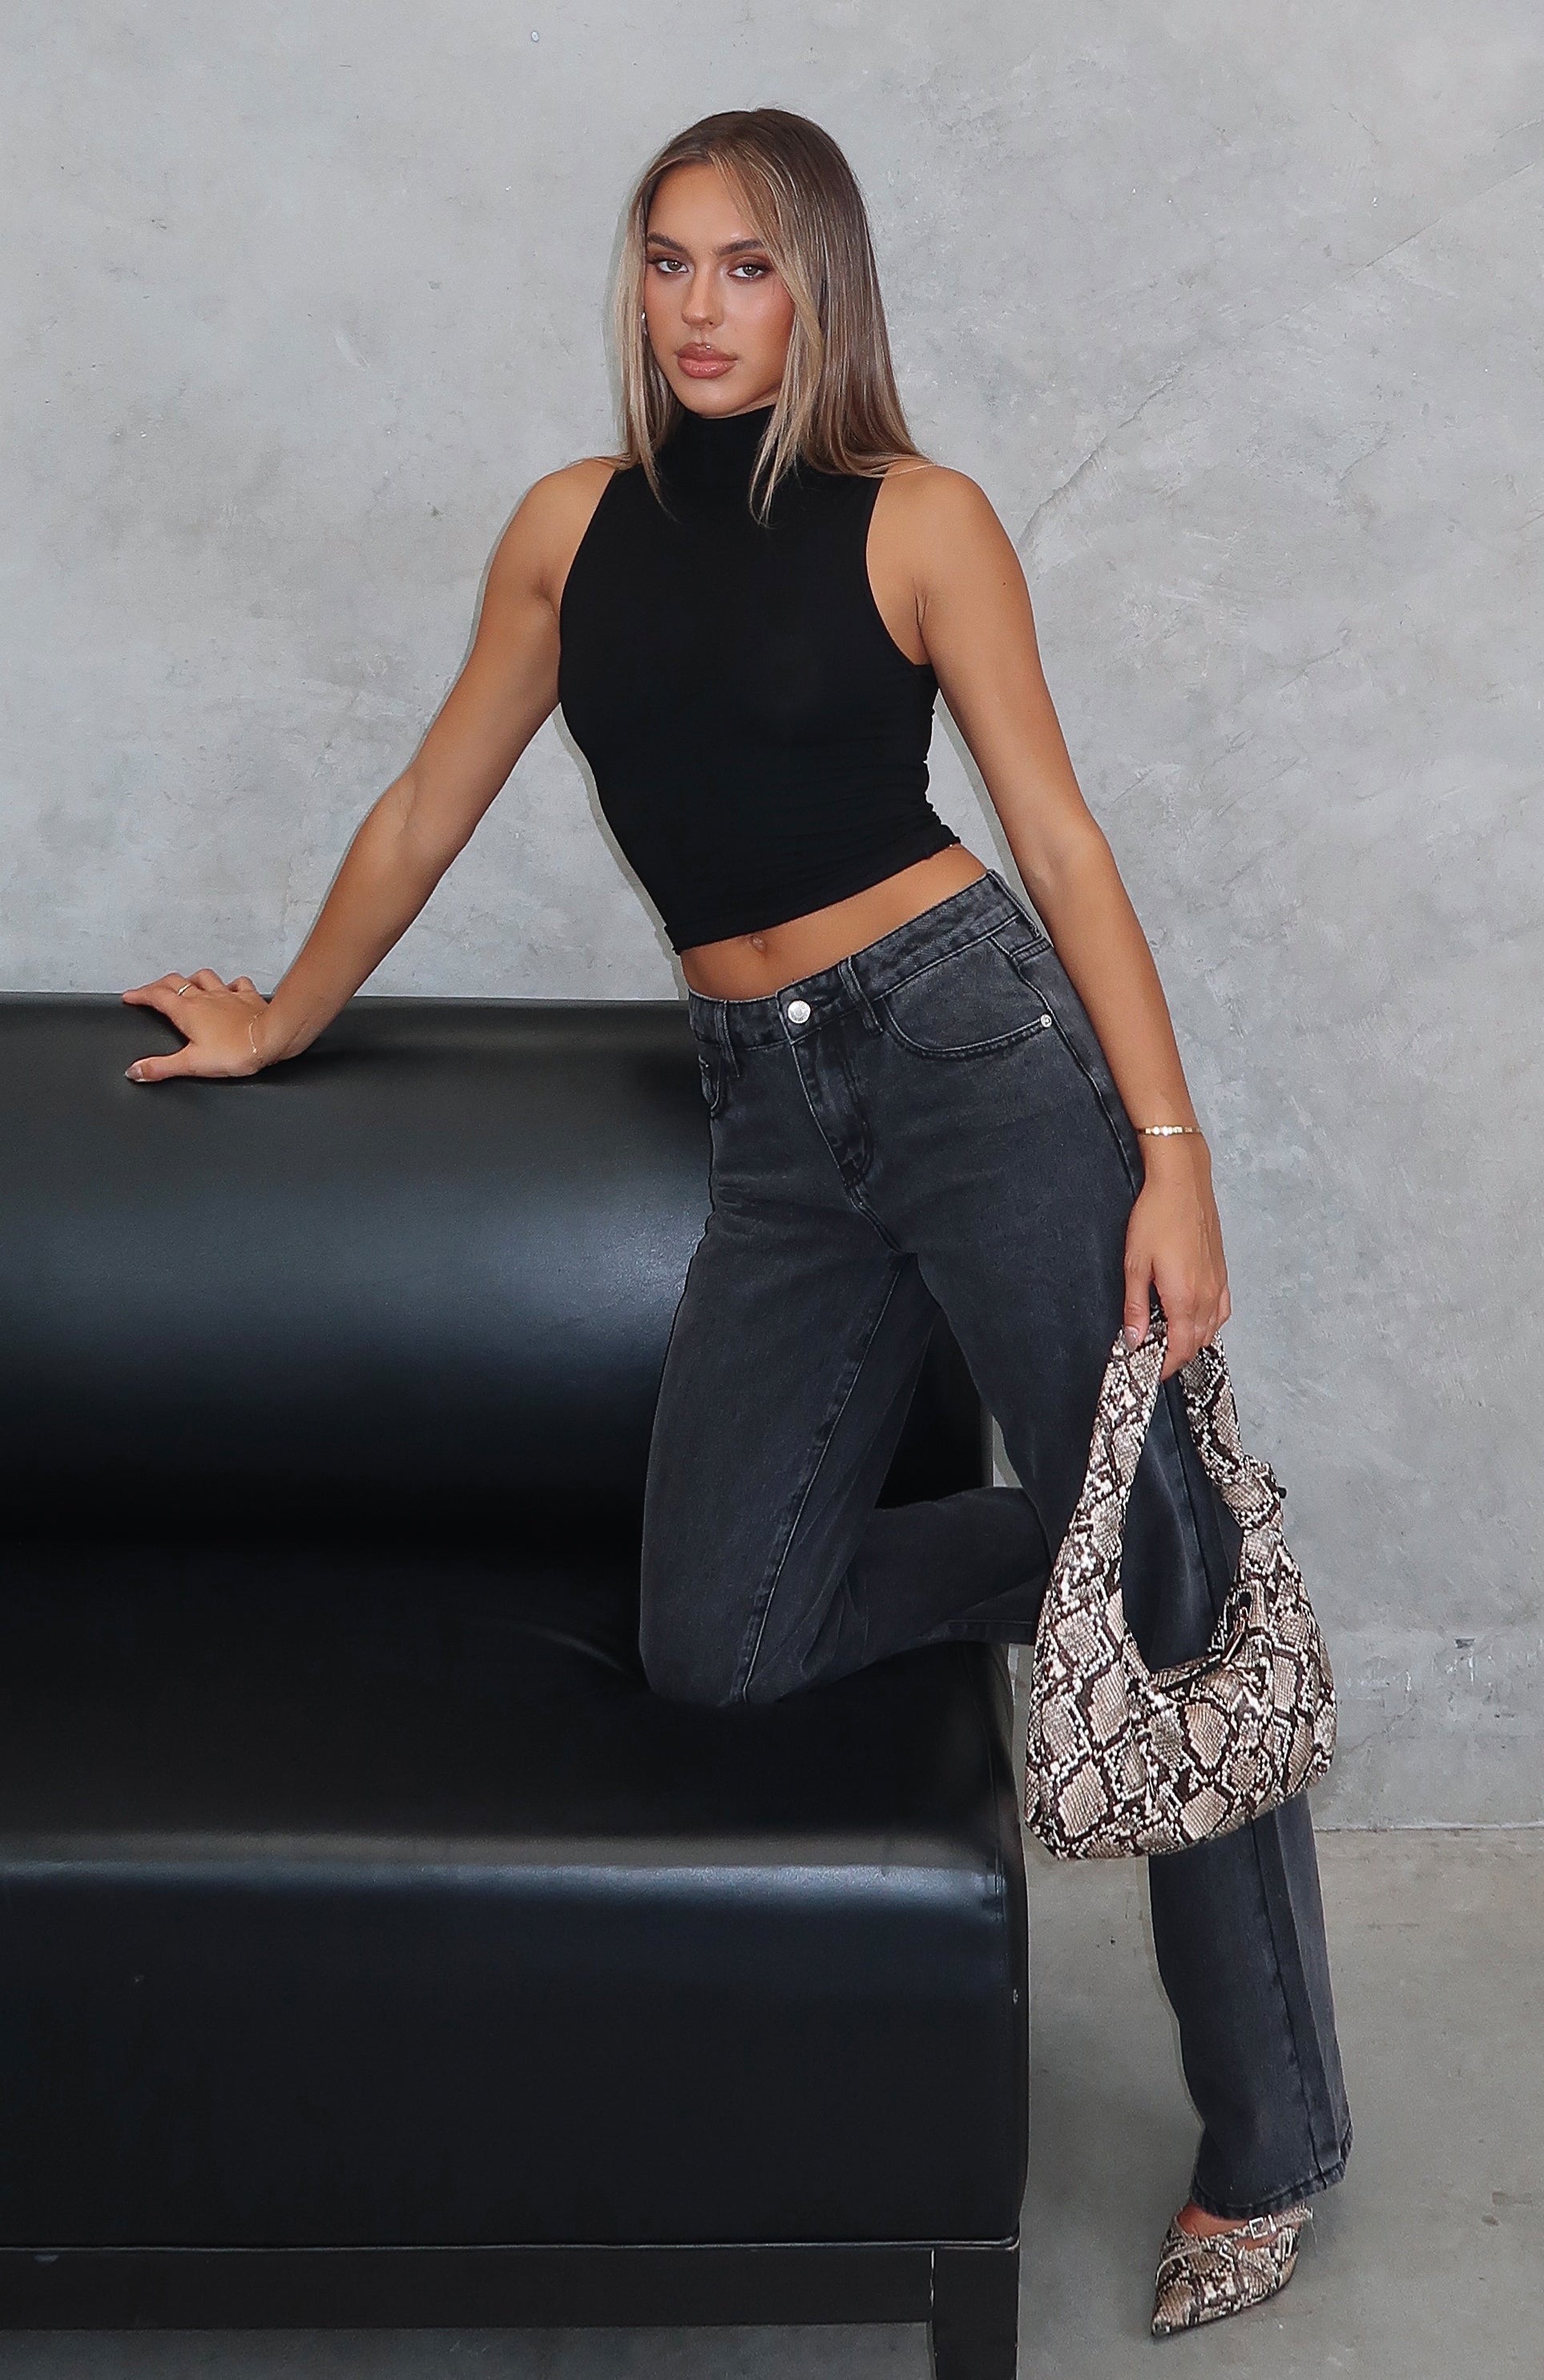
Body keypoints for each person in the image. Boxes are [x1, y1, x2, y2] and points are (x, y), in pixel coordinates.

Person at [122, 105, 1351, 2337]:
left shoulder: (921, 519)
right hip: (773, 1121)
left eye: (749, 267)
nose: (700, 307)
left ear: (822, 292)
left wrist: (1171, 1150)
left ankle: (1271, 2136)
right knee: (723, 1628)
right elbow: (426, 801)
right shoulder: (568, 530)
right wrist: (280, 1016)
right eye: (669, 260)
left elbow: (1060, 841)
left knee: (1163, 1586)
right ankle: (1132, 1533)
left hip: (973, 1054)